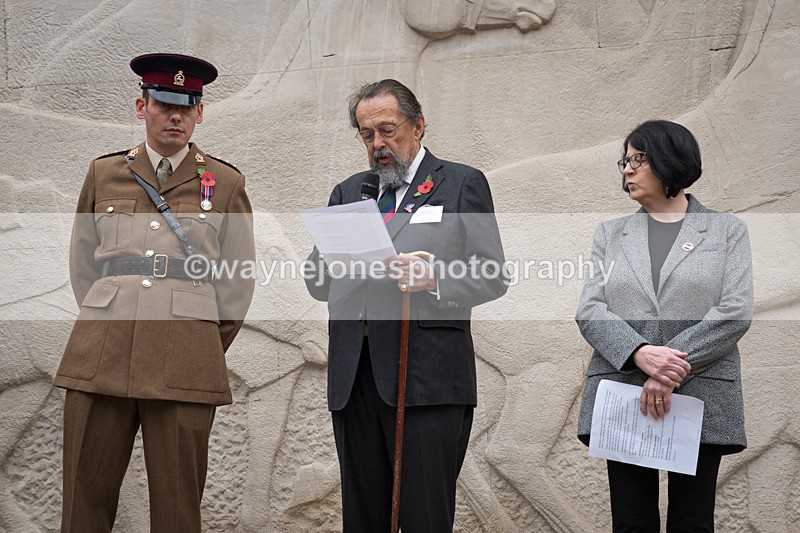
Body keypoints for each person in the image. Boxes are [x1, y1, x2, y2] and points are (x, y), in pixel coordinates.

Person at [54, 53, 255, 532]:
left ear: (200, 113)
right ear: (141, 107)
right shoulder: (104, 174)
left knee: (177, 510)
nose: (176, 116)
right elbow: (85, 267)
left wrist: (198, 339)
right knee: (83, 504)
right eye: (164, 105)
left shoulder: (225, 184)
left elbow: (235, 282)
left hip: (185, 359)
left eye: (187, 107)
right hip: (101, 355)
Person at [305, 79, 507, 532]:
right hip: (354, 380)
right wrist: (343, 262)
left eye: (388, 130)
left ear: (418, 125)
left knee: (423, 518)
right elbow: (317, 281)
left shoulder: (459, 184)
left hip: (426, 383)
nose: (378, 144)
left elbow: (493, 275)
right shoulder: (349, 192)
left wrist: (433, 278)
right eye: (366, 134)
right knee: (363, 520)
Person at [575, 120, 753, 532]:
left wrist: (669, 367)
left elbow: (735, 310)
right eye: (625, 160)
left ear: (671, 160)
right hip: (625, 388)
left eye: (637, 158)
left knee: (692, 522)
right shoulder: (610, 233)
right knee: (631, 521)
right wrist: (640, 354)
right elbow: (591, 308)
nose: (626, 170)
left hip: (701, 392)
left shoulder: (727, 231)